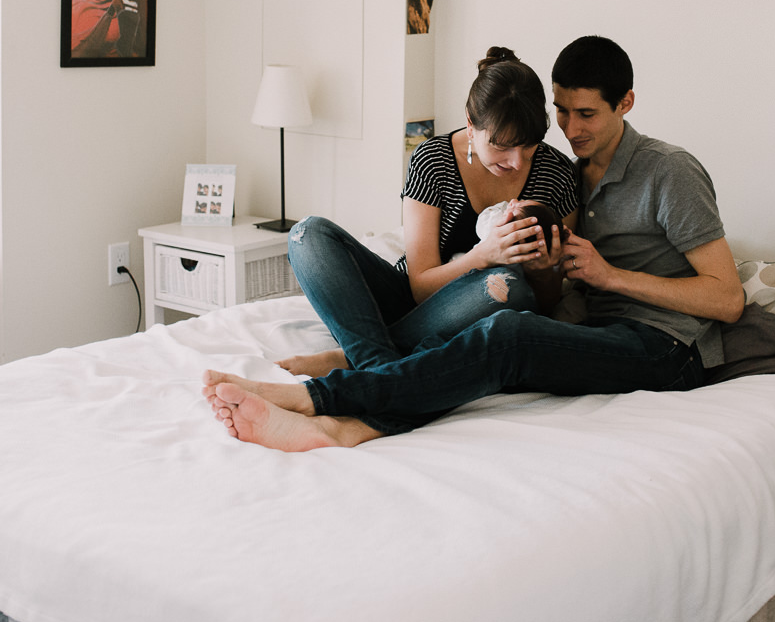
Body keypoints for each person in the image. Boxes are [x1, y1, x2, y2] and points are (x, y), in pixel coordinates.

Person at [204, 35, 744, 451]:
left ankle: (331, 404)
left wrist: (601, 275)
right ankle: (367, 381)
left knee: (506, 325)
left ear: (626, 102)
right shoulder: (578, 172)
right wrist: (543, 264)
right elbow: (435, 283)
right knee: (311, 233)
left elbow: (729, 298)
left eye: (586, 115)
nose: (570, 129)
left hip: (667, 347)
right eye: (562, 111)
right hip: (589, 326)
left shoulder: (665, 172)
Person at [275, 46, 579, 380]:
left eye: (529, 145)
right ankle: (380, 364)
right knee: (308, 234)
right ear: (471, 125)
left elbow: (548, 303)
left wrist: (544, 271)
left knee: (509, 289)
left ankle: (363, 358)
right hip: (408, 300)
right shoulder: (433, 160)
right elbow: (419, 287)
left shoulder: (557, 175)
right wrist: (485, 254)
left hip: (481, 306)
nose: (517, 161)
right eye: (502, 146)